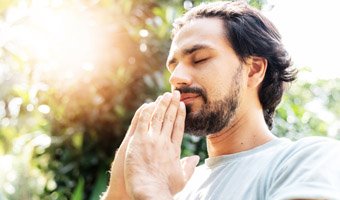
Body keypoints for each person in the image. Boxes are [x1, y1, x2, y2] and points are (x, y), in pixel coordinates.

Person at [101, 1, 340, 199]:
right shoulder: (180, 187)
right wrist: (121, 188)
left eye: (200, 59)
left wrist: (153, 192)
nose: (176, 78)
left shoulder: (308, 161)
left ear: (254, 69)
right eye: (173, 67)